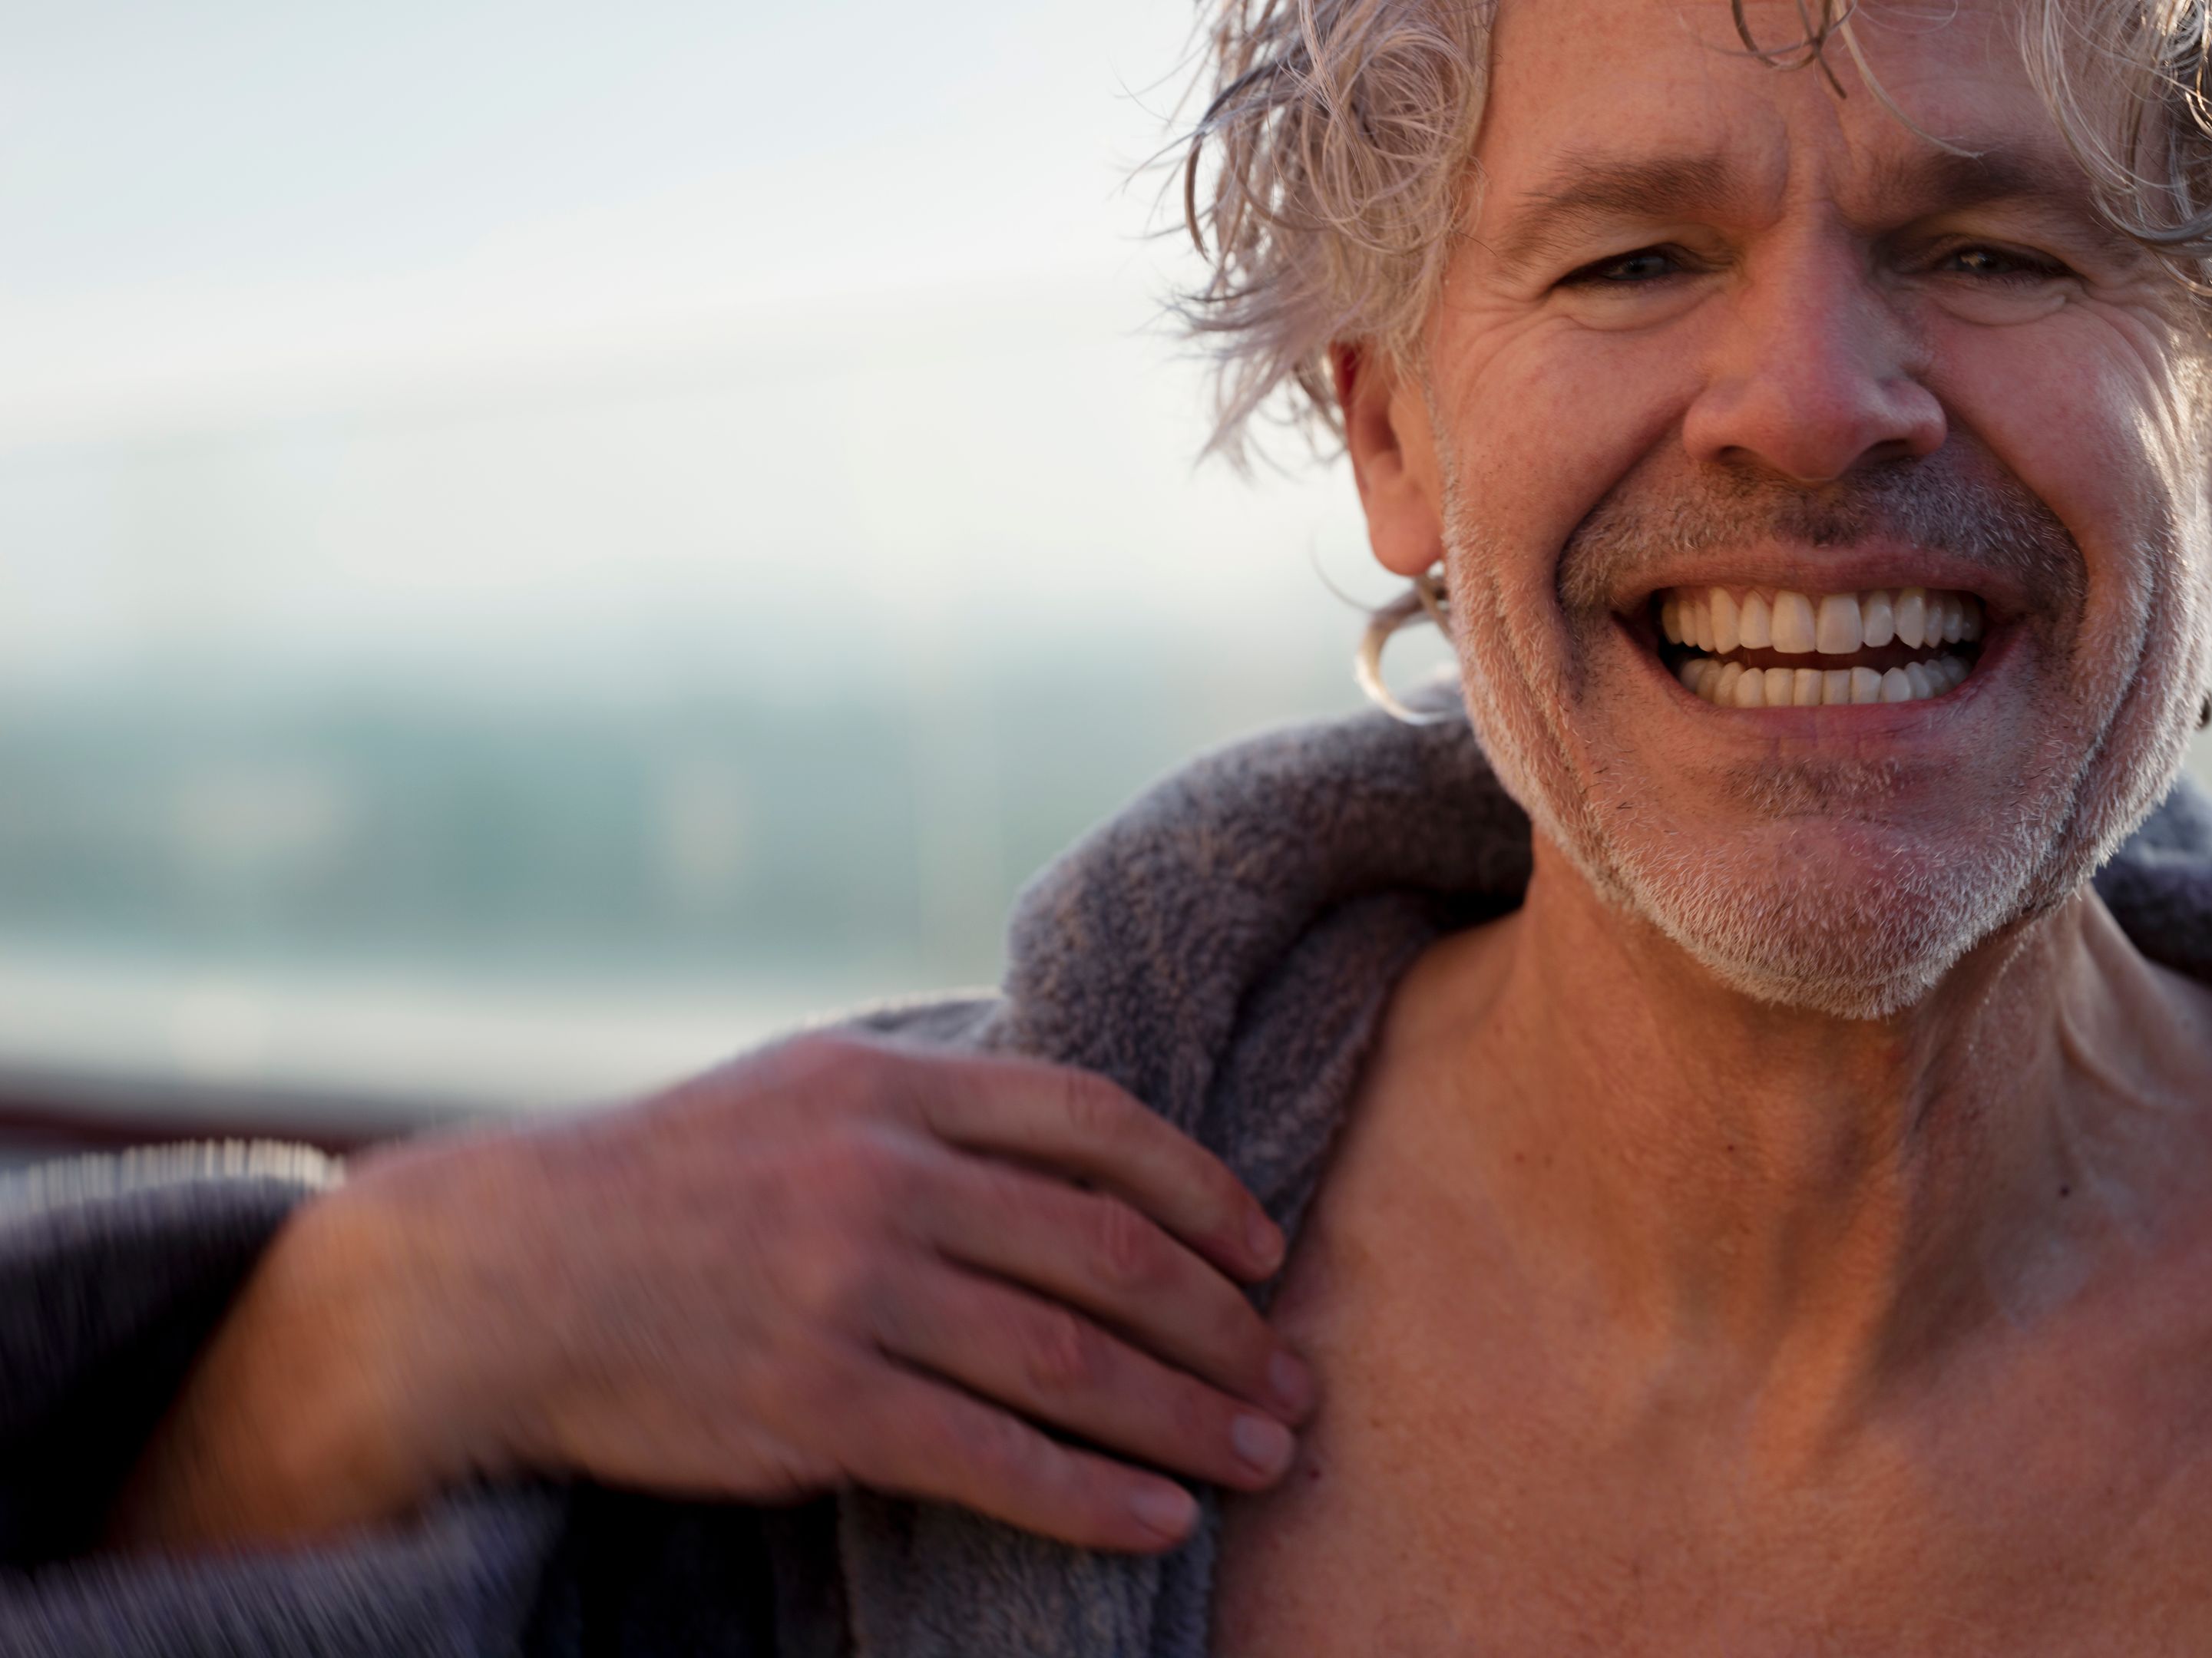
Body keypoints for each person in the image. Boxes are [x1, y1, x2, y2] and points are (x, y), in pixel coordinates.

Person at [8, 0, 2212, 1651]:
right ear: (1390, 439)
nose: (1812, 401)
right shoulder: (854, 1307)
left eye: (1996, 248)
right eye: (1631, 259)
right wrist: (385, 1320)